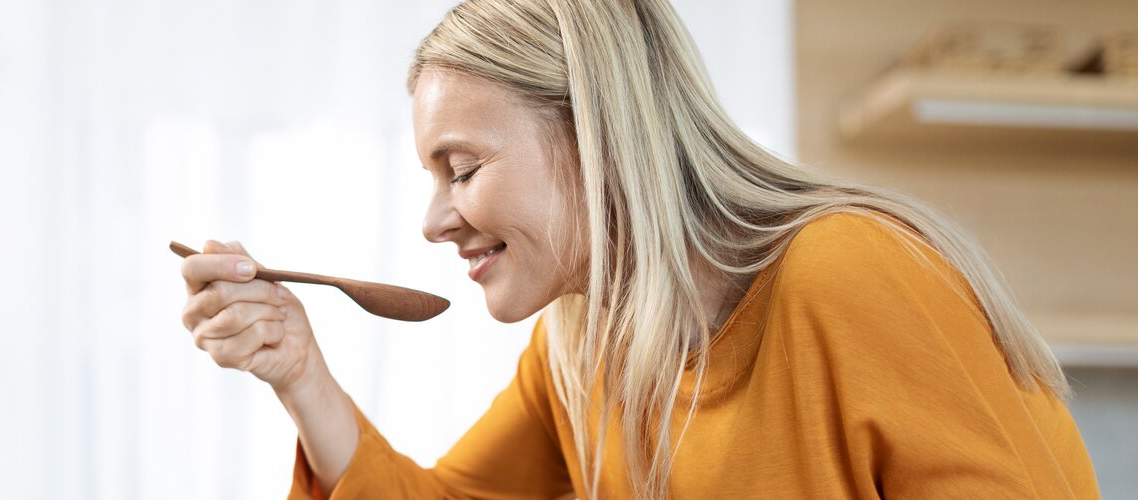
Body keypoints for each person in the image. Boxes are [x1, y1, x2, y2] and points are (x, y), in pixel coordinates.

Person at [177, 0, 1100, 497]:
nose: (434, 220)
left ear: (599, 137)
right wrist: (302, 376)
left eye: (460, 168)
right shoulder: (582, 346)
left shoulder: (847, 272)